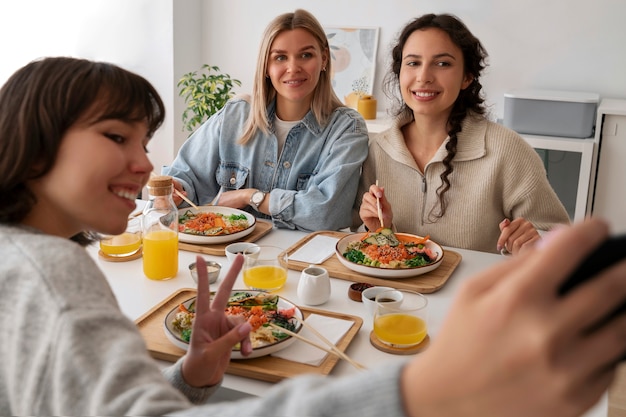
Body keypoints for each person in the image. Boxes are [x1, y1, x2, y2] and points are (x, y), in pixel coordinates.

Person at [2, 57, 625, 417]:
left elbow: (331, 213)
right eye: (118, 138)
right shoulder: (54, 274)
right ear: (34, 140)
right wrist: (421, 393)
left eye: (142, 142)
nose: (144, 165)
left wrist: (187, 381)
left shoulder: (362, 130)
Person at [353, 14, 570, 255]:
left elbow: (561, 242)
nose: (424, 76)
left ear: (467, 76)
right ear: (400, 72)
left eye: (443, 63)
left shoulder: (507, 150)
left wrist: (533, 241)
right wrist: (378, 230)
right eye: (413, 63)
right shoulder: (379, 150)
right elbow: (372, 247)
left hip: (481, 291)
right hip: (396, 293)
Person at [163, 9, 368, 232]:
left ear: (324, 59)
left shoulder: (347, 128)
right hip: (227, 255)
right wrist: (174, 191)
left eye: (306, 55)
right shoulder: (235, 115)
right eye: (280, 57)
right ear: (267, 67)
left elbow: (325, 213)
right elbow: (185, 177)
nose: (293, 68)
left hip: (300, 261)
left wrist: (251, 197)